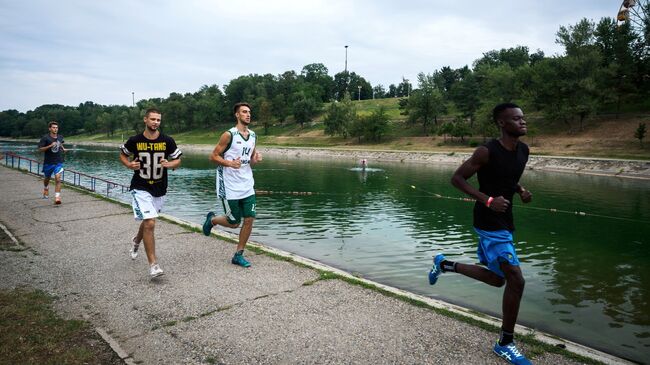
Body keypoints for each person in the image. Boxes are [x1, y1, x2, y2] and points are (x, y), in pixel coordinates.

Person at [430, 103, 533, 365]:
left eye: (523, 118)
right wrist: (487, 200)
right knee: (516, 279)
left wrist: (520, 190)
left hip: (505, 218)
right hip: (488, 219)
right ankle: (505, 343)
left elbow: (508, 177)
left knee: (499, 280)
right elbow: (457, 179)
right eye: (516, 119)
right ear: (501, 123)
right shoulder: (486, 151)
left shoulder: (524, 150)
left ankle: (444, 264)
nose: (522, 122)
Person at [119, 108, 182, 279]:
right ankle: (153, 265)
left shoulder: (167, 141)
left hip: (160, 188)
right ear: (145, 120)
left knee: (148, 222)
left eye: (158, 120)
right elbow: (123, 155)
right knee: (150, 223)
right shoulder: (135, 140)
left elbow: (178, 160)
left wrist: (171, 164)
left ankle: (136, 241)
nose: (156, 122)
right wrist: (129, 165)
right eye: (152, 119)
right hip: (140, 187)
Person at [203, 102, 262, 268]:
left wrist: (254, 160)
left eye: (249, 112)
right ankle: (212, 220)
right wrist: (229, 163)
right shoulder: (229, 135)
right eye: (244, 112)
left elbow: (249, 160)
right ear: (237, 115)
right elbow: (213, 156)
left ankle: (238, 254)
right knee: (234, 222)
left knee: (249, 219)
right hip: (229, 185)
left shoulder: (253, 135)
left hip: (247, 184)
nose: (248, 115)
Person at [38, 121, 66, 204]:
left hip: (58, 161)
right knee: (47, 178)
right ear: (49, 128)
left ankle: (57, 197)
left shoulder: (60, 137)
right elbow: (40, 149)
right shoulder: (45, 138)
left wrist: (63, 149)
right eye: (53, 127)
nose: (55, 129)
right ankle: (46, 188)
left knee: (58, 178)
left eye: (57, 127)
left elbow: (60, 143)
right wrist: (50, 146)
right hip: (48, 162)